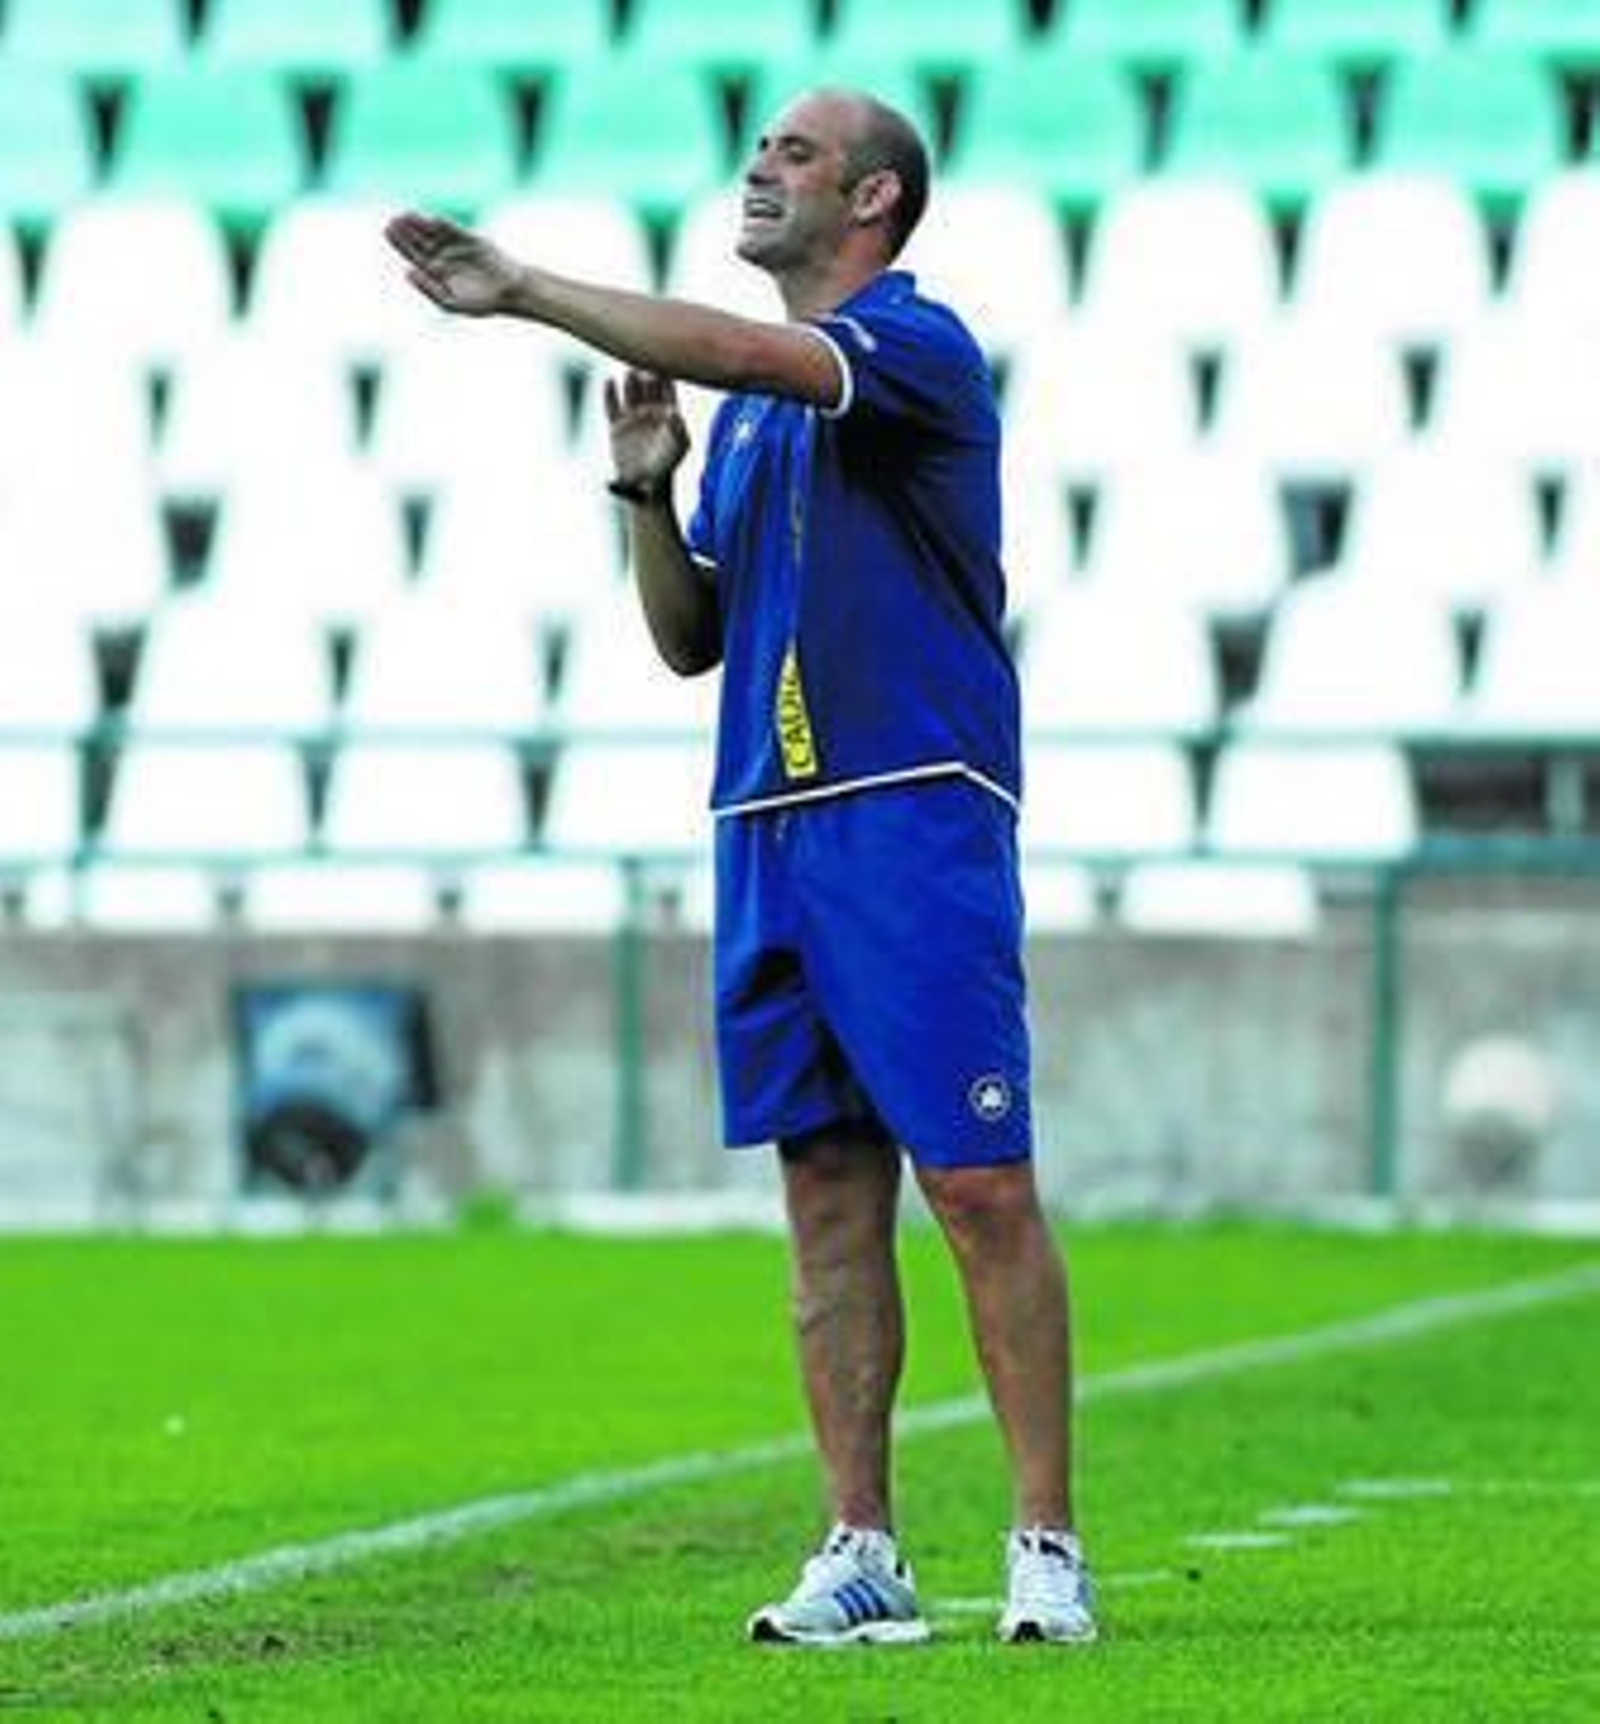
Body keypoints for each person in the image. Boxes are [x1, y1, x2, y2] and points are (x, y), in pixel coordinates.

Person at [385, 87, 1095, 1649]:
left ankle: (1045, 1543)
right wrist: (644, 493)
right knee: (825, 1197)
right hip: (767, 819)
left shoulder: (911, 347)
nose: (760, 166)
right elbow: (690, 638)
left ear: (876, 201)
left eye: (795, 152)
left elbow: (754, 350)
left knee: (976, 1184)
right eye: (758, 145)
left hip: (910, 809)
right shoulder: (760, 418)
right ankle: (864, 1551)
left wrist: (529, 295)